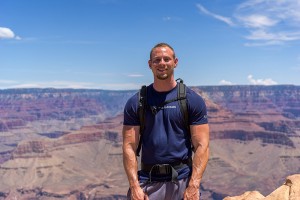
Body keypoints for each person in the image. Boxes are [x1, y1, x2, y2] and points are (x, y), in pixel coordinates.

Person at [122, 42, 209, 200]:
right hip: (148, 183)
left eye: (166, 59)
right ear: (150, 64)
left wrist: (194, 185)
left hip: (182, 182)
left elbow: (202, 145)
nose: (162, 63)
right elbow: (129, 146)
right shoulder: (136, 102)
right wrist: (134, 186)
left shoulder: (192, 100)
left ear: (175, 62)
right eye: (157, 60)